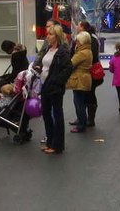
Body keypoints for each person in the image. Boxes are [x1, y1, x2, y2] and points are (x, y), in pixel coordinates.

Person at [36, 25, 71, 154]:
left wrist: (57, 81)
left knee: (57, 115)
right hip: (45, 85)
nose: (48, 36)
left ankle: (58, 145)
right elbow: (45, 65)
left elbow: (68, 68)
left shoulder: (62, 52)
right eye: (48, 34)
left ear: (56, 37)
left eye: (50, 34)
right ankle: (50, 141)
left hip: (55, 87)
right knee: (46, 114)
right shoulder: (48, 49)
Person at [67, 31, 93, 134]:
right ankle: (82, 121)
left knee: (79, 104)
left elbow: (71, 63)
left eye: (77, 41)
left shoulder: (82, 53)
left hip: (79, 79)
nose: (76, 43)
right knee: (81, 102)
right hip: (84, 78)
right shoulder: (88, 51)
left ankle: (81, 125)